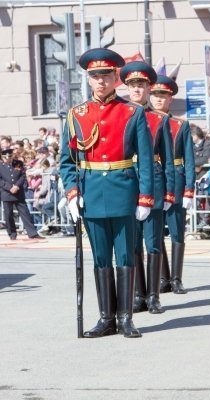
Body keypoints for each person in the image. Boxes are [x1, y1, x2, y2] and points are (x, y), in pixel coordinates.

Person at [60, 48, 154, 339]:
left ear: (117, 78)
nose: (100, 81)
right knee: (101, 257)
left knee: (125, 255)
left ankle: (126, 318)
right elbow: (67, 160)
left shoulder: (132, 112)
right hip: (91, 193)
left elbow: (147, 159)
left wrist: (145, 197)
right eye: (95, 76)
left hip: (124, 189)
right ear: (88, 80)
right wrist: (72, 192)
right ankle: (106, 318)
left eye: (106, 76)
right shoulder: (77, 114)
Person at [120, 62, 175, 313]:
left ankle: (153, 296)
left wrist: (169, 192)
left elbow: (168, 160)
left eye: (141, 85)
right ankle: (138, 294)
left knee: (152, 242)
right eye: (132, 85)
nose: (137, 90)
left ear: (148, 89)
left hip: (152, 183)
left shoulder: (158, 120)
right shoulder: (121, 115)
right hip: (126, 182)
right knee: (132, 243)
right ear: (127, 88)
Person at [149, 75, 195, 294]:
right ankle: (162, 277)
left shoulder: (180, 125)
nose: (159, 100)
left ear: (170, 99)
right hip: (156, 180)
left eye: (163, 96)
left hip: (176, 179)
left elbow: (189, 159)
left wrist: (189, 188)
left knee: (177, 231)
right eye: (155, 95)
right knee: (155, 232)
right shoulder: (145, 121)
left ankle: (176, 278)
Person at [0, 149, 44, 240]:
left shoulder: (18, 163)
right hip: (7, 193)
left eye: (10, 156)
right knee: (8, 215)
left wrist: (16, 186)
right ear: (3, 157)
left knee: (25, 213)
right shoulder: (1, 166)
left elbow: (23, 175)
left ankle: (32, 233)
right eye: (6, 157)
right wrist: (9, 187)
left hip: (18, 192)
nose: (8, 158)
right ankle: (12, 234)